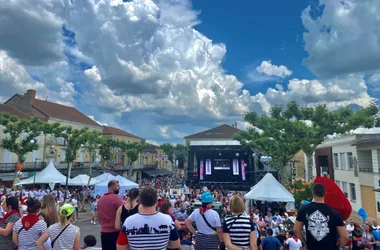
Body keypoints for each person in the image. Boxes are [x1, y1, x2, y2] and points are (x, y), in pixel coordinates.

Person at [115, 186, 180, 250]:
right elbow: (175, 245)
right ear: (156, 200)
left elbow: (120, 247)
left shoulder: (129, 221)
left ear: (140, 201)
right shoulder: (167, 220)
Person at [294, 183, 348, 250]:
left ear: (313, 193)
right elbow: (345, 236)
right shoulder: (334, 213)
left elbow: (296, 229)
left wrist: (305, 243)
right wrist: (338, 246)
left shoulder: (304, 210)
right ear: (325, 193)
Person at [97, 180, 123, 250]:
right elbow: (123, 213)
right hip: (115, 232)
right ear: (112, 187)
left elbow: (98, 217)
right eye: (117, 186)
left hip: (104, 232)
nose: (119, 187)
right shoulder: (117, 198)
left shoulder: (100, 199)